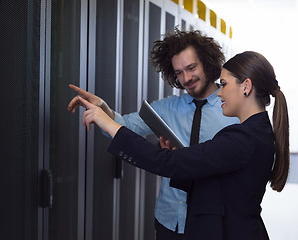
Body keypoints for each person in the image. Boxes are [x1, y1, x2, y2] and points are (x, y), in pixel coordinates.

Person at [74, 51, 290, 240]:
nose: (221, 92)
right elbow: (222, 185)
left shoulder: (244, 138)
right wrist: (184, 161)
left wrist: (108, 124)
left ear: (246, 86)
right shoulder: (254, 133)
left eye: (224, 84)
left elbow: (169, 164)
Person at [68, 29, 238, 239]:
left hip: (212, 222)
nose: (186, 78)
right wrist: (103, 108)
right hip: (169, 220)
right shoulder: (167, 107)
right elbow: (125, 126)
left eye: (191, 68)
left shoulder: (232, 110)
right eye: (178, 73)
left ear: (207, 62)